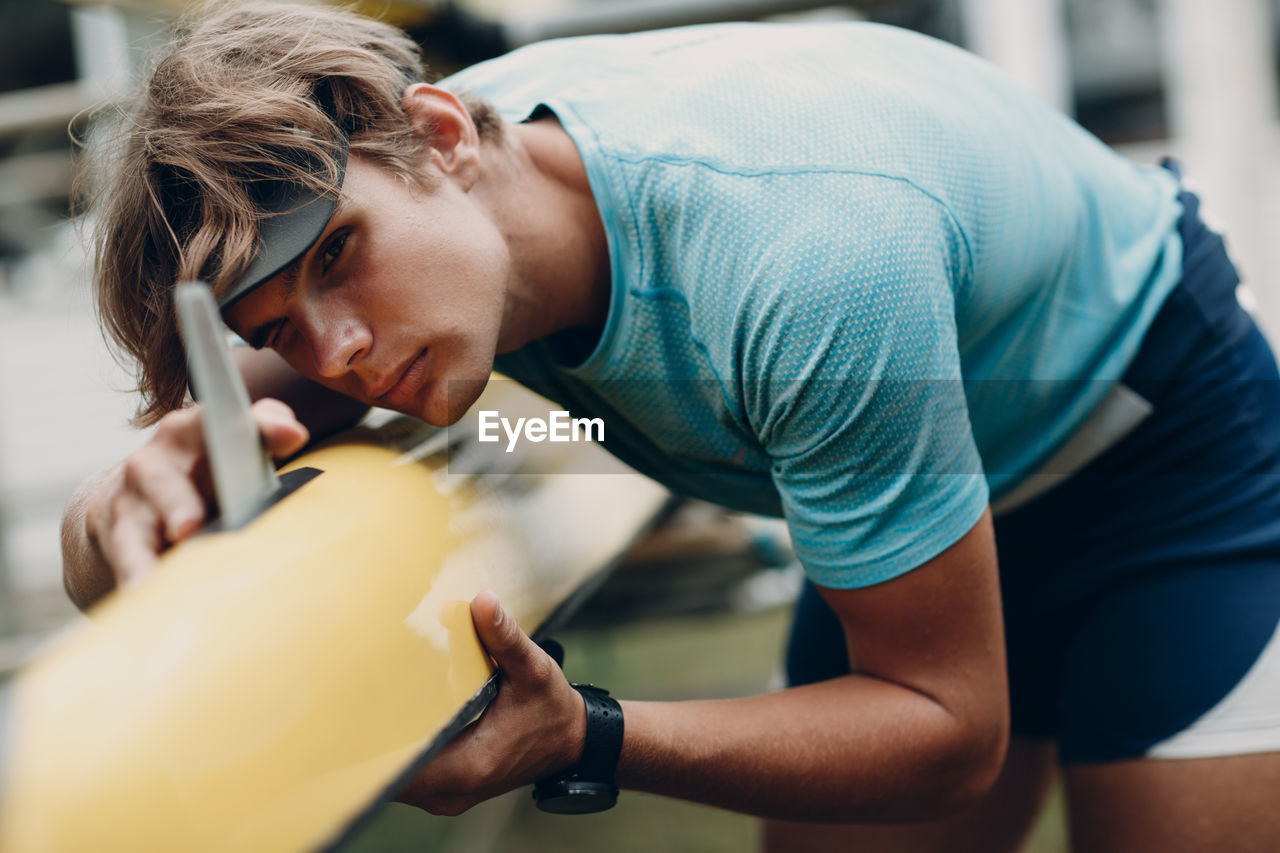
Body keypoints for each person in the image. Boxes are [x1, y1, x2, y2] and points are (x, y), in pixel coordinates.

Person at [60, 4, 1280, 850]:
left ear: (440, 137)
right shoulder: (422, 232)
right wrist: (108, 515)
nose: (338, 356)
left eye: (339, 258)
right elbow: (252, 413)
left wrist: (581, 732)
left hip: (1150, 466)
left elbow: (943, 732)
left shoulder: (803, 262)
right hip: (897, 472)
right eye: (276, 327)